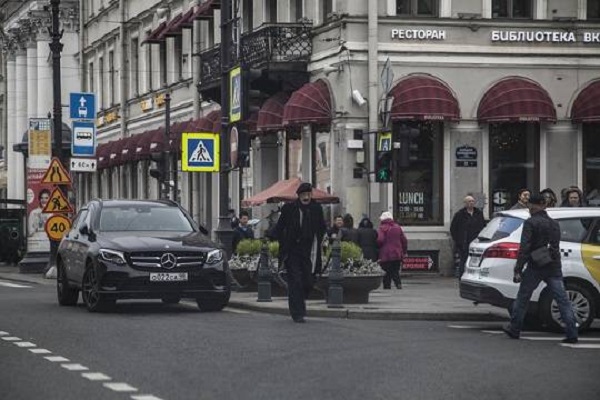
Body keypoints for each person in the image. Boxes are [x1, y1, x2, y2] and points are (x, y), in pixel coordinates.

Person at [503, 194, 578, 344]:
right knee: (562, 299)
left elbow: (525, 247)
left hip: (535, 265)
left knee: (523, 297)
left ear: (534, 206)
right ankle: (572, 332)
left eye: (530, 206)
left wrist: (518, 268)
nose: (529, 209)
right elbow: (555, 246)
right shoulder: (554, 224)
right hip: (553, 265)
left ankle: (515, 328)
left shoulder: (531, 223)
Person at [270, 182, 326, 323]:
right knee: (295, 281)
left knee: (308, 281)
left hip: (309, 250)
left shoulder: (316, 208)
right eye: (303, 195)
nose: (306, 197)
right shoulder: (290, 209)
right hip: (293, 249)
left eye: (308, 194)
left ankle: (300, 301)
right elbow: (280, 226)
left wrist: (328, 238)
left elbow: (322, 227)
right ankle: (297, 313)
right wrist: (270, 236)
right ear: (299, 196)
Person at [450, 195, 486, 279]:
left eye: (473, 201)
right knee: (463, 260)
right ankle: (462, 276)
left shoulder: (478, 213)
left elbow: (483, 226)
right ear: (465, 203)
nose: (471, 203)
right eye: (469, 201)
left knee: (476, 261)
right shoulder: (460, 214)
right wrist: (458, 240)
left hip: (476, 242)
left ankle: (474, 277)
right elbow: (453, 229)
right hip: (464, 243)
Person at [377, 211, 408, 289]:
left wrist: (378, 247)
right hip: (397, 253)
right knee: (395, 270)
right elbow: (404, 240)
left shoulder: (382, 228)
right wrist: (404, 251)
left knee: (386, 272)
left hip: (385, 254)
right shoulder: (397, 227)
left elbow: (380, 240)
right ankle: (398, 283)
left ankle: (387, 286)